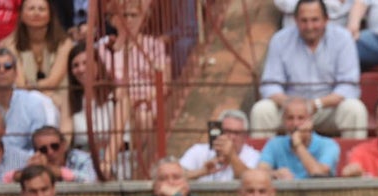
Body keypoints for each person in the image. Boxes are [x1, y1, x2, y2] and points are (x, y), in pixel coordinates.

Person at [251, 0, 368, 140]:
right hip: (289, 108)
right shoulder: (280, 40)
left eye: (315, 20)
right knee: (261, 110)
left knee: (354, 109)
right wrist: (291, 104)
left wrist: (315, 104)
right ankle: (263, 161)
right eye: (304, 21)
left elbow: (348, 87)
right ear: (295, 20)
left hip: (327, 108)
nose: (309, 26)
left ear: (326, 19)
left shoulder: (343, 39)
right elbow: (270, 85)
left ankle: (354, 159)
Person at [95, 0, 170, 138]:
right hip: (113, 102)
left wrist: (141, 99)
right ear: (114, 19)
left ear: (143, 19)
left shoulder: (154, 45)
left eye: (134, 15)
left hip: (145, 102)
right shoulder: (104, 48)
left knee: (144, 118)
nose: (128, 20)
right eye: (124, 15)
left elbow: (163, 84)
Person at [8, 0, 74, 136]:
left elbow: (54, 81)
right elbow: (20, 84)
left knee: (63, 98)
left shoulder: (65, 43)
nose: (36, 13)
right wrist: (40, 94)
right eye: (31, 8)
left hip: (58, 94)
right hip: (23, 97)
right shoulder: (11, 44)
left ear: (50, 15)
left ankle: (62, 146)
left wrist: (34, 89)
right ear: (21, 15)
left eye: (41, 9)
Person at [67, 40, 128, 179]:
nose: (81, 69)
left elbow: (117, 135)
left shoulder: (117, 95)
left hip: (116, 160)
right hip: (82, 162)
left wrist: (105, 164)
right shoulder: (71, 101)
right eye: (75, 65)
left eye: (86, 63)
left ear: (97, 64)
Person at [0, 48, 51, 152]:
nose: (2, 71)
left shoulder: (33, 103)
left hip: (25, 164)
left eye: (7, 67)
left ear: (16, 73)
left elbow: (39, 144)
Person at [259, 97, 341, 179]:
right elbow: (260, 171)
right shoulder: (274, 144)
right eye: (290, 118)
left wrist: (298, 144)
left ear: (310, 120)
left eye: (301, 118)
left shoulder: (328, 145)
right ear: (283, 120)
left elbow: (318, 174)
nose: (295, 123)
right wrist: (275, 174)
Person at [179, 109, 262, 183]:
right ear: (218, 132)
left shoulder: (253, 155)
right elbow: (175, 177)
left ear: (244, 136)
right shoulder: (198, 150)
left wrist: (232, 156)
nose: (232, 137)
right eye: (227, 131)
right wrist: (202, 172)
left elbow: (252, 182)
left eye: (237, 133)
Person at [5, 124, 96, 182]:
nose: (50, 152)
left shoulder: (81, 158)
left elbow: (91, 179)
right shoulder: (34, 160)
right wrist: (28, 172)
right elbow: (6, 178)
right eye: (43, 149)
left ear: (64, 145)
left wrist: (59, 172)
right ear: (37, 152)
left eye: (54, 146)